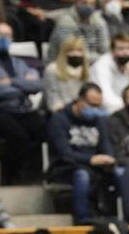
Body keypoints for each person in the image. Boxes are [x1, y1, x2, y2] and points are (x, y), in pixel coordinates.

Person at [0, 22, 45, 184]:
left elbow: (37, 85)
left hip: (20, 109)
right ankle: (9, 175)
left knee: (44, 128)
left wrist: (11, 81)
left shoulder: (19, 63)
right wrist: (23, 86)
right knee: (18, 136)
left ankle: (31, 174)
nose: (4, 38)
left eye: (7, 35)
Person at [46, 83, 116, 225]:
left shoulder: (98, 119)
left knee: (119, 173)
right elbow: (64, 153)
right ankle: (83, 219)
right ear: (79, 100)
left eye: (98, 106)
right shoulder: (59, 119)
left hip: (94, 166)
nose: (95, 110)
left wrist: (108, 158)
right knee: (82, 175)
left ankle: (114, 216)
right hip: (65, 167)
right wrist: (90, 159)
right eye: (91, 105)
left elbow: (105, 144)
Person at [47, 0, 110, 64]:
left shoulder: (98, 20)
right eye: (84, 2)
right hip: (63, 66)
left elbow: (105, 50)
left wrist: (104, 59)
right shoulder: (65, 21)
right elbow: (73, 53)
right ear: (75, 1)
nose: (88, 6)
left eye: (92, 4)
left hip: (91, 65)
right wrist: (102, 59)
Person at [89, 33, 129, 113]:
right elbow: (106, 101)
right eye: (121, 49)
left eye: (128, 48)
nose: (125, 52)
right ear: (112, 51)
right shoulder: (101, 66)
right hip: (102, 110)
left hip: (125, 109)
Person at [44, 36, 90, 112]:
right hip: (59, 111)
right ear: (64, 52)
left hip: (81, 111)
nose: (75, 54)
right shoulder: (52, 69)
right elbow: (52, 97)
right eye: (71, 51)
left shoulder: (86, 70)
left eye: (79, 51)